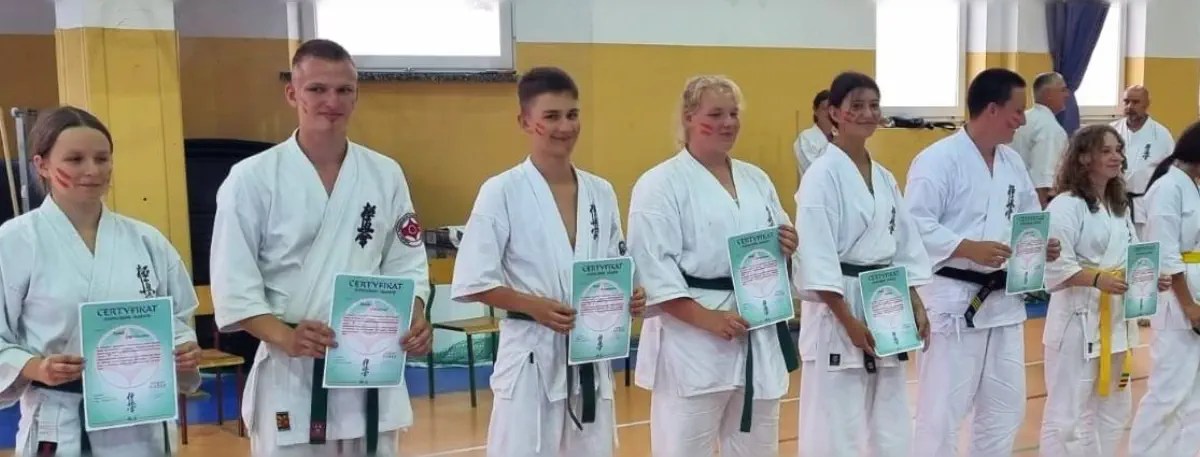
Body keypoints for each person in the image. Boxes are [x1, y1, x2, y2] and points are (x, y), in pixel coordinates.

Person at [209, 38, 432, 456]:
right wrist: (285, 336)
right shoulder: (251, 178)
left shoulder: (385, 173)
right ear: (292, 93)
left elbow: (407, 262)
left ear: (356, 96)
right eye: (317, 89)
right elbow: (233, 284)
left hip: (370, 365)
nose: (332, 101)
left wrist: (416, 312)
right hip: (291, 371)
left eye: (344, 90)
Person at [449, 66, 646, 456]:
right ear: (525, 122)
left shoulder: (600, 191)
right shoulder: (501, 191)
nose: (565, 127)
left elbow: (614, 264)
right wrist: (532, 305)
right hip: (531, 354)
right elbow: (473, 281)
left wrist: (630, 293)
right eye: (551, 116)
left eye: (572, 115)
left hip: (590, 350)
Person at [0, 106, 202, 455]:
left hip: (142, 417)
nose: (92, 170)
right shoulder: (14, 241)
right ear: (41, 165)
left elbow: (176, 320)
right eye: (75, 159)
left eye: (102, 158)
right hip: (61, 419)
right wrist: (36, 367)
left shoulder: (146, 240)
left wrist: (184, 349)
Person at [626, 74, 800, 457]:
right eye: (716, 114)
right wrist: (707, 319)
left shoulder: (756, 179)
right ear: (689, 117)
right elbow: (652, 268)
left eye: (733, 114)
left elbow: (779, 236)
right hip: (692, 345)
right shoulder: (659, 184)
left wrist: (788, 244)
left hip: (757, 329)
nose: (728, 123)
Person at [904, 68, 1062, 457]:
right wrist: (965, 247)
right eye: (1017, 110)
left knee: (1004, 412)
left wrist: (1038, 245)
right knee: (941, 414)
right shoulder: (937, 160)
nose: (1022, 120)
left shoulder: (1012, 162)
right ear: (992, 109)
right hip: (954, 304)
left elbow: (1027, 218)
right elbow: (914, 223)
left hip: (1004, 306)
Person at [794, 71, 932, 457]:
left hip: (885, 304)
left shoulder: (884, 177)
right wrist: (849, 322)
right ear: (834, 113)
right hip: (838, 309)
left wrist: (915, 301)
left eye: (874, 105)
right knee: (835, 427)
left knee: (892, 423)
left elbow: (903, 244)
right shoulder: (821, 176)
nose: (868, 113)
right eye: (856, 106)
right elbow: (817, 256)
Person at [1037, 124, 1171, 457]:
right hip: (1076, 321)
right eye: (1106, 150)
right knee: (1066, 415)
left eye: (1119, 150)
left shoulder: (1118, 205)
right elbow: (1055, 266)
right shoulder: (1065, 205)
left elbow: (1133, 253)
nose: (1117, 157)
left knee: (1113, 411)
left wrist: (1150, 276)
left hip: (1116, 322)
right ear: (1084, 157)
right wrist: (1097, 280)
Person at [1127, 120, 1200, 456]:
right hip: (1176, 300)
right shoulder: (1168, 188)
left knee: (1195, 394)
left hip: (1194, 290)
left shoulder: (1192, 185)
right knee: (1168, 391)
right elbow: (1166, 253)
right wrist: (1190, 306)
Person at [1111, 85, 1175, 237]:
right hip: (1115, 200)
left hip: (1147, 204)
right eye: (1126, 101)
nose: (1129, 107)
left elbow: (1172, 172)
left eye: (1135, 102)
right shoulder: (1112, 131)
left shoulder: (1161, 135)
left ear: (1146, 104)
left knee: (1145, 245)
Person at [1009, 71, 1070, 207]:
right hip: (1033, 204)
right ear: (1048, 94)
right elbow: (1043, 182)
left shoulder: (1025, 119)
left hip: (1011, 197)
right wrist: (1043, 214)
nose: (1067, 95)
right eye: (1062, 90)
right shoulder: (1050, 129)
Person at [793, 89, 834, 180]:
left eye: (831, 109)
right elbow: (814, 170)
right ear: (816, 111)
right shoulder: (806, 138)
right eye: (824, 109)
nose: (828, 113)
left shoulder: (840, 137)